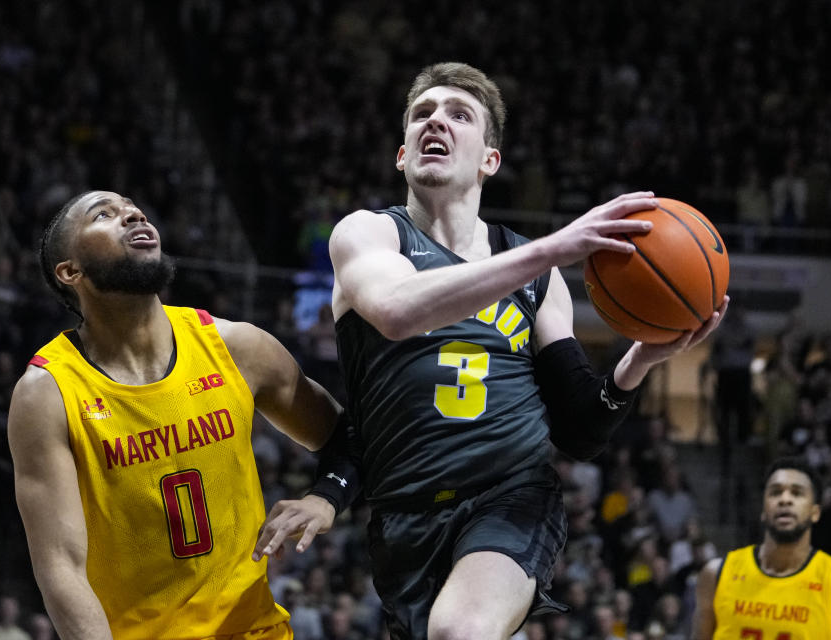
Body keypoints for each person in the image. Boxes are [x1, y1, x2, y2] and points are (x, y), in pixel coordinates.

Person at [253, 62, 727, 640]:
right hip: (405, 513)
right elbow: (399, 311)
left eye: (460, 115)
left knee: (462, 632)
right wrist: (553, 248)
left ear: (489, 161)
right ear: (402, 155)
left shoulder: (536, 274)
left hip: (512, 495)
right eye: (422, 114)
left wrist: (642, 358)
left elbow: (579, 429)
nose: (437, 122)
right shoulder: (370, 234)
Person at [7, 191, 342, 639]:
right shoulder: (47, 393)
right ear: (70, 271)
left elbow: (346, 436)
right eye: (103, 215)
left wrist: (326, 498)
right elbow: (62, 568)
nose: (132, 214)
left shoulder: (237, 347)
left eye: (132, 208)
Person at [691, 457, 831, 639]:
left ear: (815, 512)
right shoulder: (716, 574)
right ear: (763, 510)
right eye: (775, 492)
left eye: (797, 493)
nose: (785, 499)